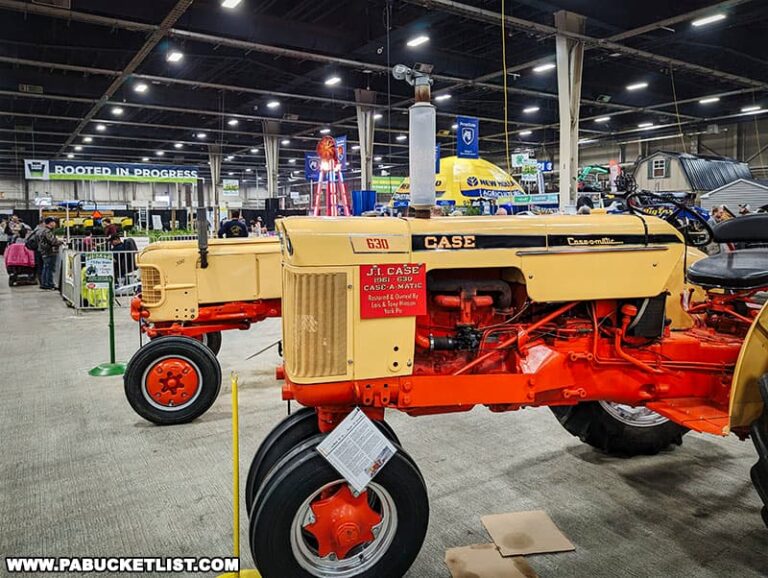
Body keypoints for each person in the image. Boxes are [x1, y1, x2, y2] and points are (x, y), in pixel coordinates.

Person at [38, 217, 63, 290]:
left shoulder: (43, 230)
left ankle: (45, 283)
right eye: (54, 222)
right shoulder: (47, 231)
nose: (55, 224)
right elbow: (52, 241)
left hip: (45, 252)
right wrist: (60, 242)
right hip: (49, 252)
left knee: (46, 268)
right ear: (50, 223)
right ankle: (48, 284)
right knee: (49, 268)